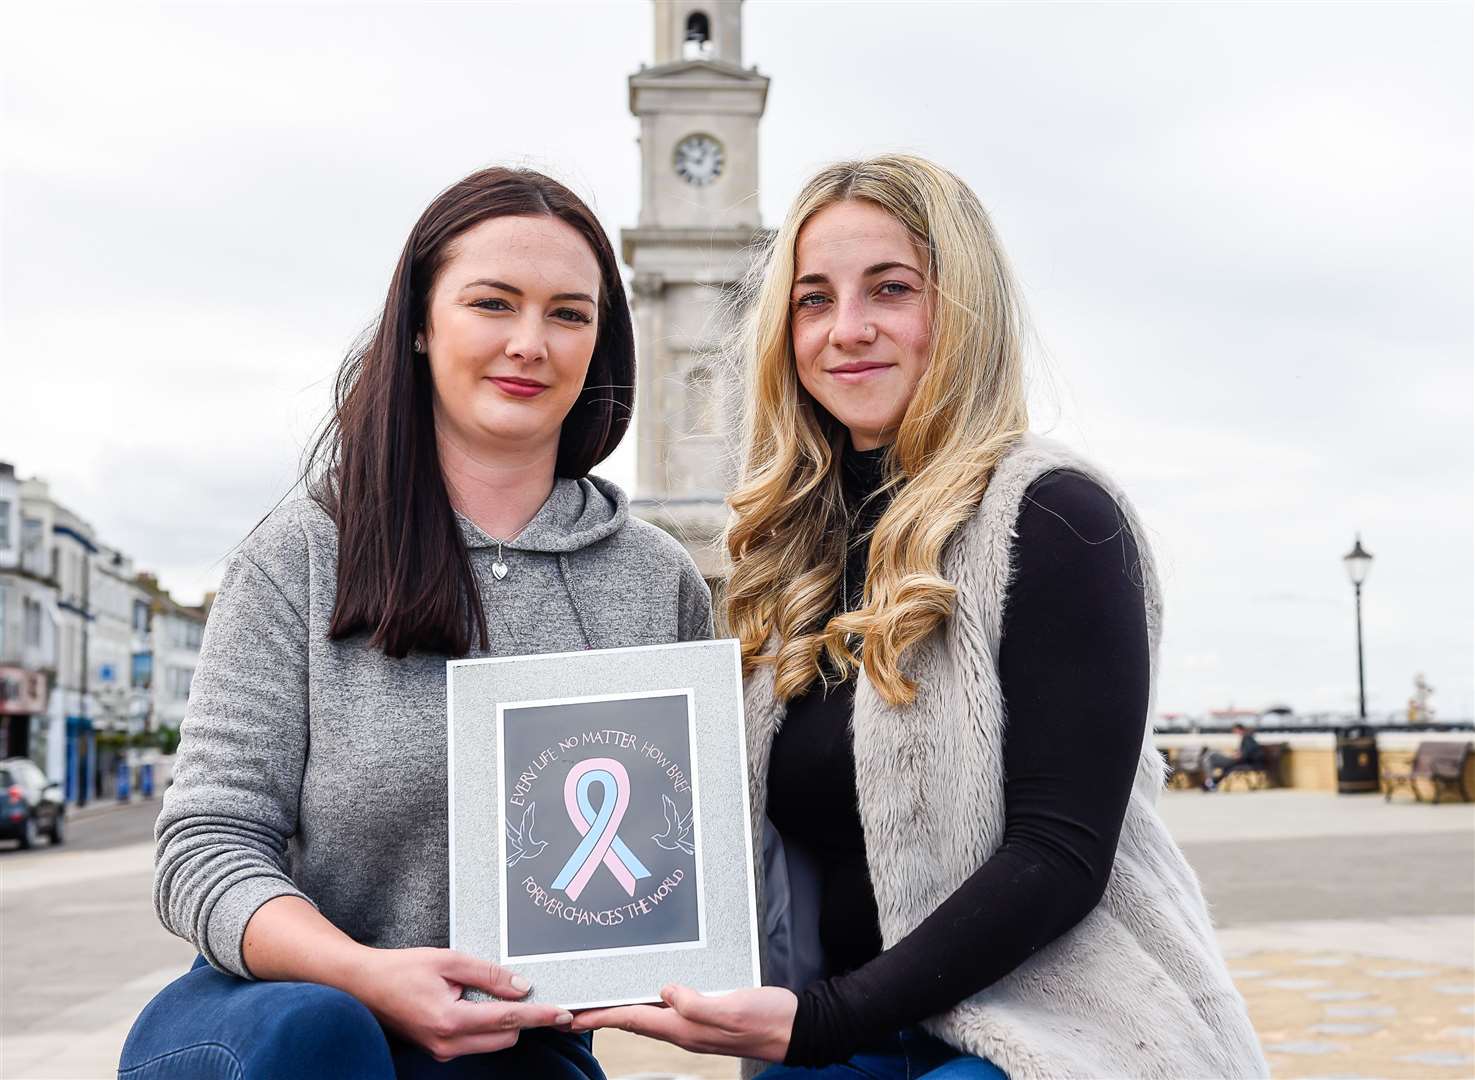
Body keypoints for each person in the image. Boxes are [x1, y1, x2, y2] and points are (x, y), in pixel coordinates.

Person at [573, 155, 1267, 1079]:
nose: (846, 330)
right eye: (812, 299)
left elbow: (1059, 853)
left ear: (963, 307)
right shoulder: (790, 559)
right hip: (847, 1031)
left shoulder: (1056, 516)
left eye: (890, 289)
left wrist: (822, 1023)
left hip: (1055, 1030)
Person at [119, 167, 713, 1080]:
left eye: (568, 314)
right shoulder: (300, 555)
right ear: (421, 328)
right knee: (323, 1034)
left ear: (601, 345)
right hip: (282, 1025)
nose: (529, 343)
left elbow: (684, 863)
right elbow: (206, 845)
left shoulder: (655, 582)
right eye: (492, 303)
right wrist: (365, 973)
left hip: (509, 1041)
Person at [1204, 722, 1267, 790]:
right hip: (1245, 762)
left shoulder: (1247, 737)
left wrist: (1237, 756)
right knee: (1223, 766)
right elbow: (1246, 751)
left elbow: (1246, 753)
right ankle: (1211, 782)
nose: (1235, 733)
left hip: (1248, 763)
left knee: (1212, 757)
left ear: (1239, 729)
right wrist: (1237, 754)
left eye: (1235, 731)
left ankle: (1210, 782)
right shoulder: (1248, 737)